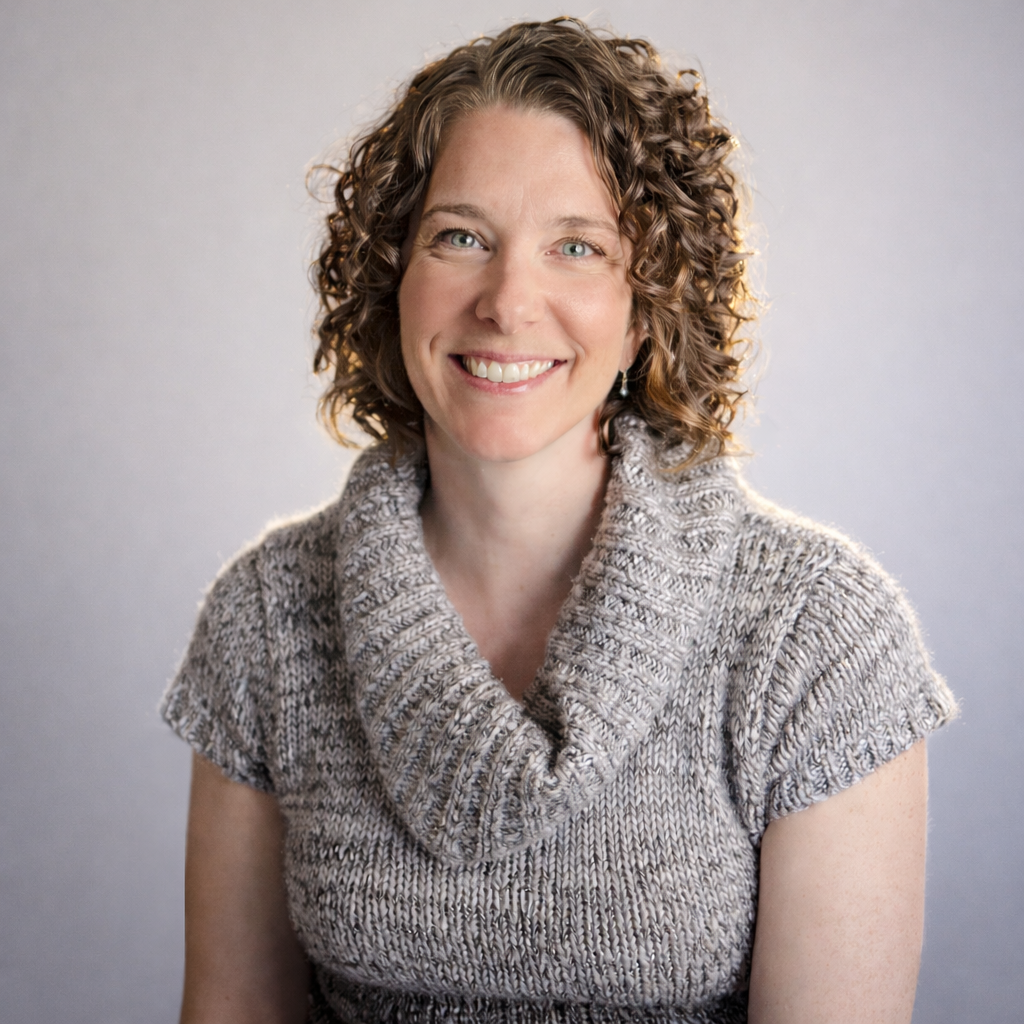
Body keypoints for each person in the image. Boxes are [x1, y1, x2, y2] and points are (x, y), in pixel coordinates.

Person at [161, 17, 957, 1024]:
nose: (508, 301)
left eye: (576, 247)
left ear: (646, 310)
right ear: (392, 277)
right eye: (461, 237)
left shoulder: (817, 635)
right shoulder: (268, 620)